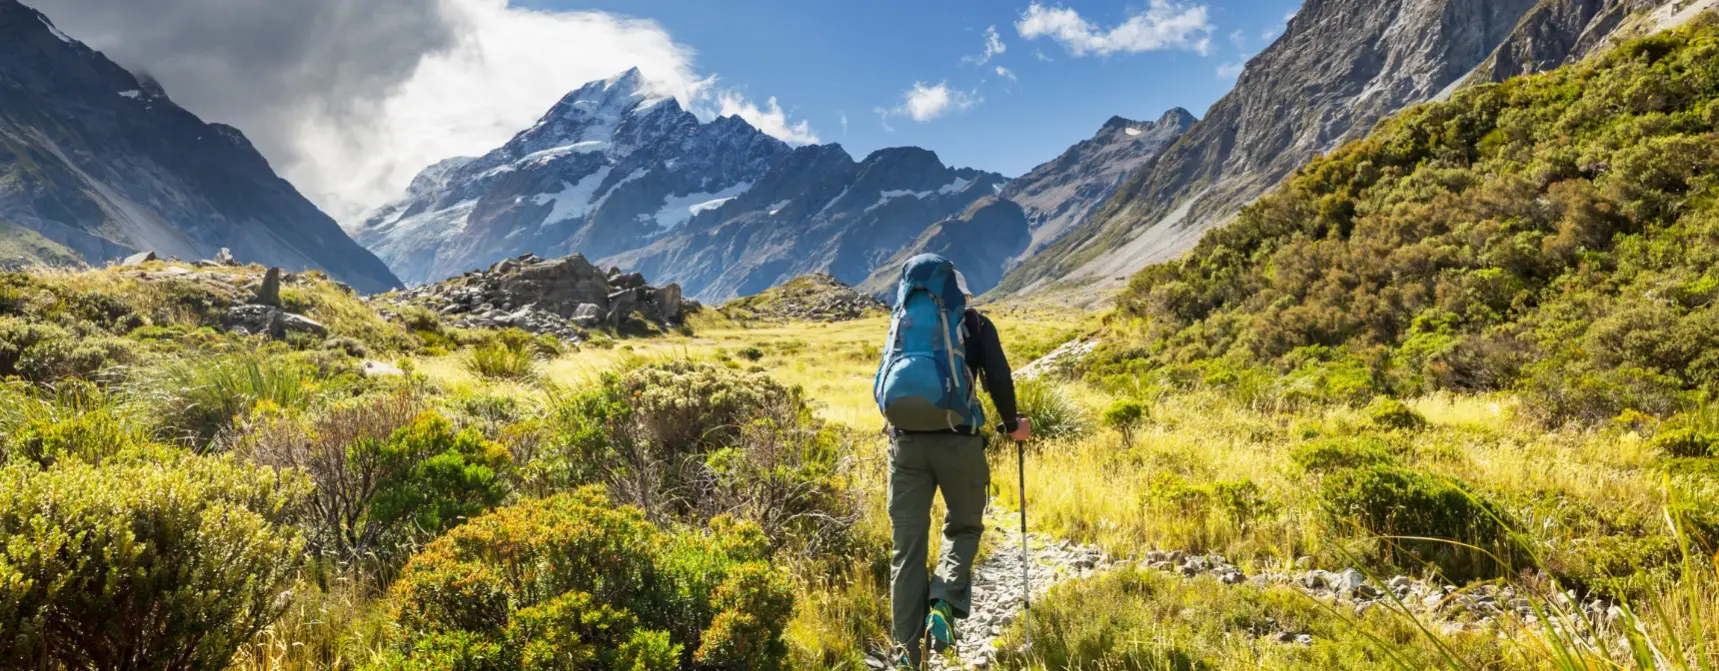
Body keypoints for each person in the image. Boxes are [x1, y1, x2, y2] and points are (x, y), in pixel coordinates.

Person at [882, 266, 1030, 667]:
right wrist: (1011, 424)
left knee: (906, 551)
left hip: (905, 444)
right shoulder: (976, 325)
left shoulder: (904, 322)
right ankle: (943, 603)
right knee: (964, 526)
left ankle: (907, 655)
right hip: (959, 440)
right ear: (960, 294)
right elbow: (998, 377)